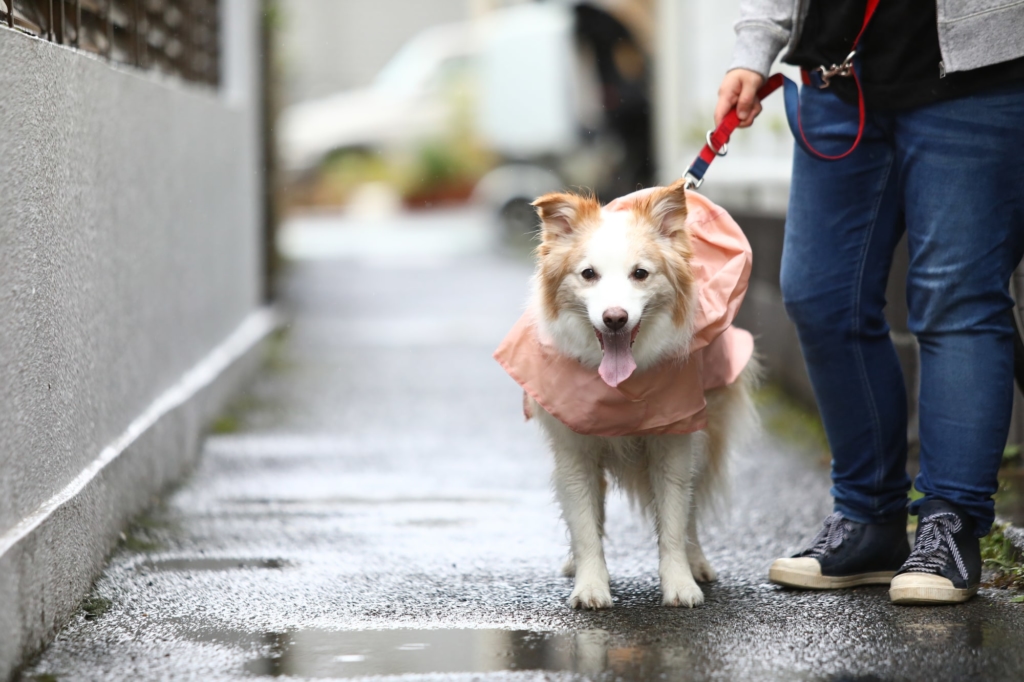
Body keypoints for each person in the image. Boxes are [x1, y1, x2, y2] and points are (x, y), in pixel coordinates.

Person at [716, 0, 1024, 604]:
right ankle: (867, 520)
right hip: (837, 78)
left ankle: (949, 524)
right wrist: (754, 48)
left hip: (976, 79)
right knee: (819, 294)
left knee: (956, 297)